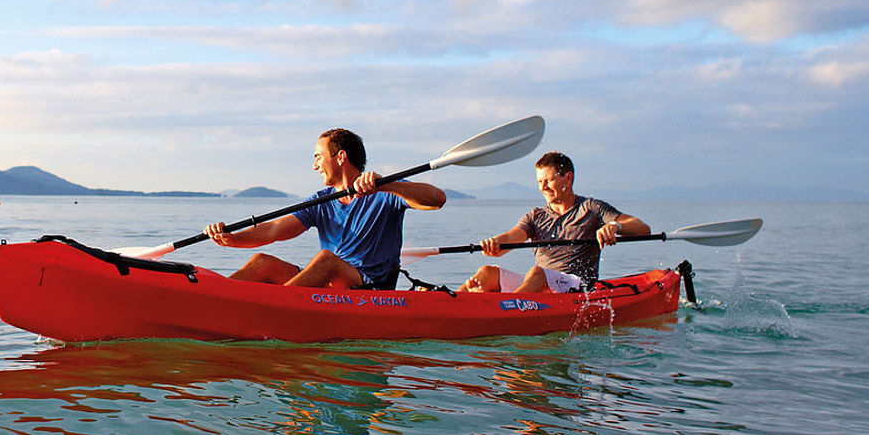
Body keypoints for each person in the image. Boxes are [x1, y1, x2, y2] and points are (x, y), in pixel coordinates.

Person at [205, 128, 446, 289]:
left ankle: (274, 307)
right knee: (261, 262)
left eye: (318, 157)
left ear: (340, 157)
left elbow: (437, 199)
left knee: (326, 260)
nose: (315, 166)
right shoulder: (322, 200)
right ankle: (214, 299)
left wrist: (388, 185)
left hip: (368, 287)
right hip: (329, 284)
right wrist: (230, 238)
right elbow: (274, 230)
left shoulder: (385, 192)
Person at [461, 151, 649, 294]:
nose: (543, 188)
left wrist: (615, 226)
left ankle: (501, 312)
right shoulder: (535, 216)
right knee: (487, 272)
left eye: (548, 181)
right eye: (539, 182)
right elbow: (511, 238)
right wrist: (493, 244)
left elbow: (642, 228)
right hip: (538, 285)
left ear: (568, 178)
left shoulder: (592, 208)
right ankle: (445, 300)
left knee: (536, 273)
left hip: (577, 288)